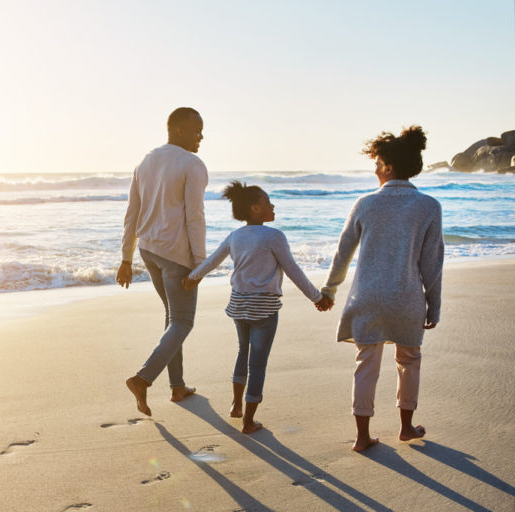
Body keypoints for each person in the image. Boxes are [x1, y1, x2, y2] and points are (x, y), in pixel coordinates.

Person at [319, 126, 443, 452]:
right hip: (407, 298)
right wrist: (435, 305)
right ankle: (405, 428)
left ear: (388, 167)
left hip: (368, 297)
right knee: (409, 360)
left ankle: (362, 436)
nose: (374, 170)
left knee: (366, 364)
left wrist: (330, 289)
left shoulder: (364, 204)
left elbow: (343, 252)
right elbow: (432, 263)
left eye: (376, 164)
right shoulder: (429, 206)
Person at [183, 181, 332, 433]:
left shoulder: (235, 236)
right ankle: (249, 421)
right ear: (255, 209)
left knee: (243, 352)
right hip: (264, 307)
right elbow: (293, 270)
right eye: (267, 202)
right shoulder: (274, 236)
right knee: (258, 364)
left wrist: (192, 277)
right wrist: (317, 297)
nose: (272, 206)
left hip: (239, 304)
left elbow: (211, 262)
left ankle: (236, 405)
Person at [118, 107, 208, 416]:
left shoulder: (146, 161)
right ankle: (143, 378)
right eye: (197, 130)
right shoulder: (192, 164)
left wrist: (126, 259)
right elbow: (195, 216)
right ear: (180, 130)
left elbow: (132, 213)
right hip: (176, 255)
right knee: (182, 322)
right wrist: (200, 264)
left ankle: (178, 387)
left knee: (173, 317)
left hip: (148, 251)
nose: (201, 136)